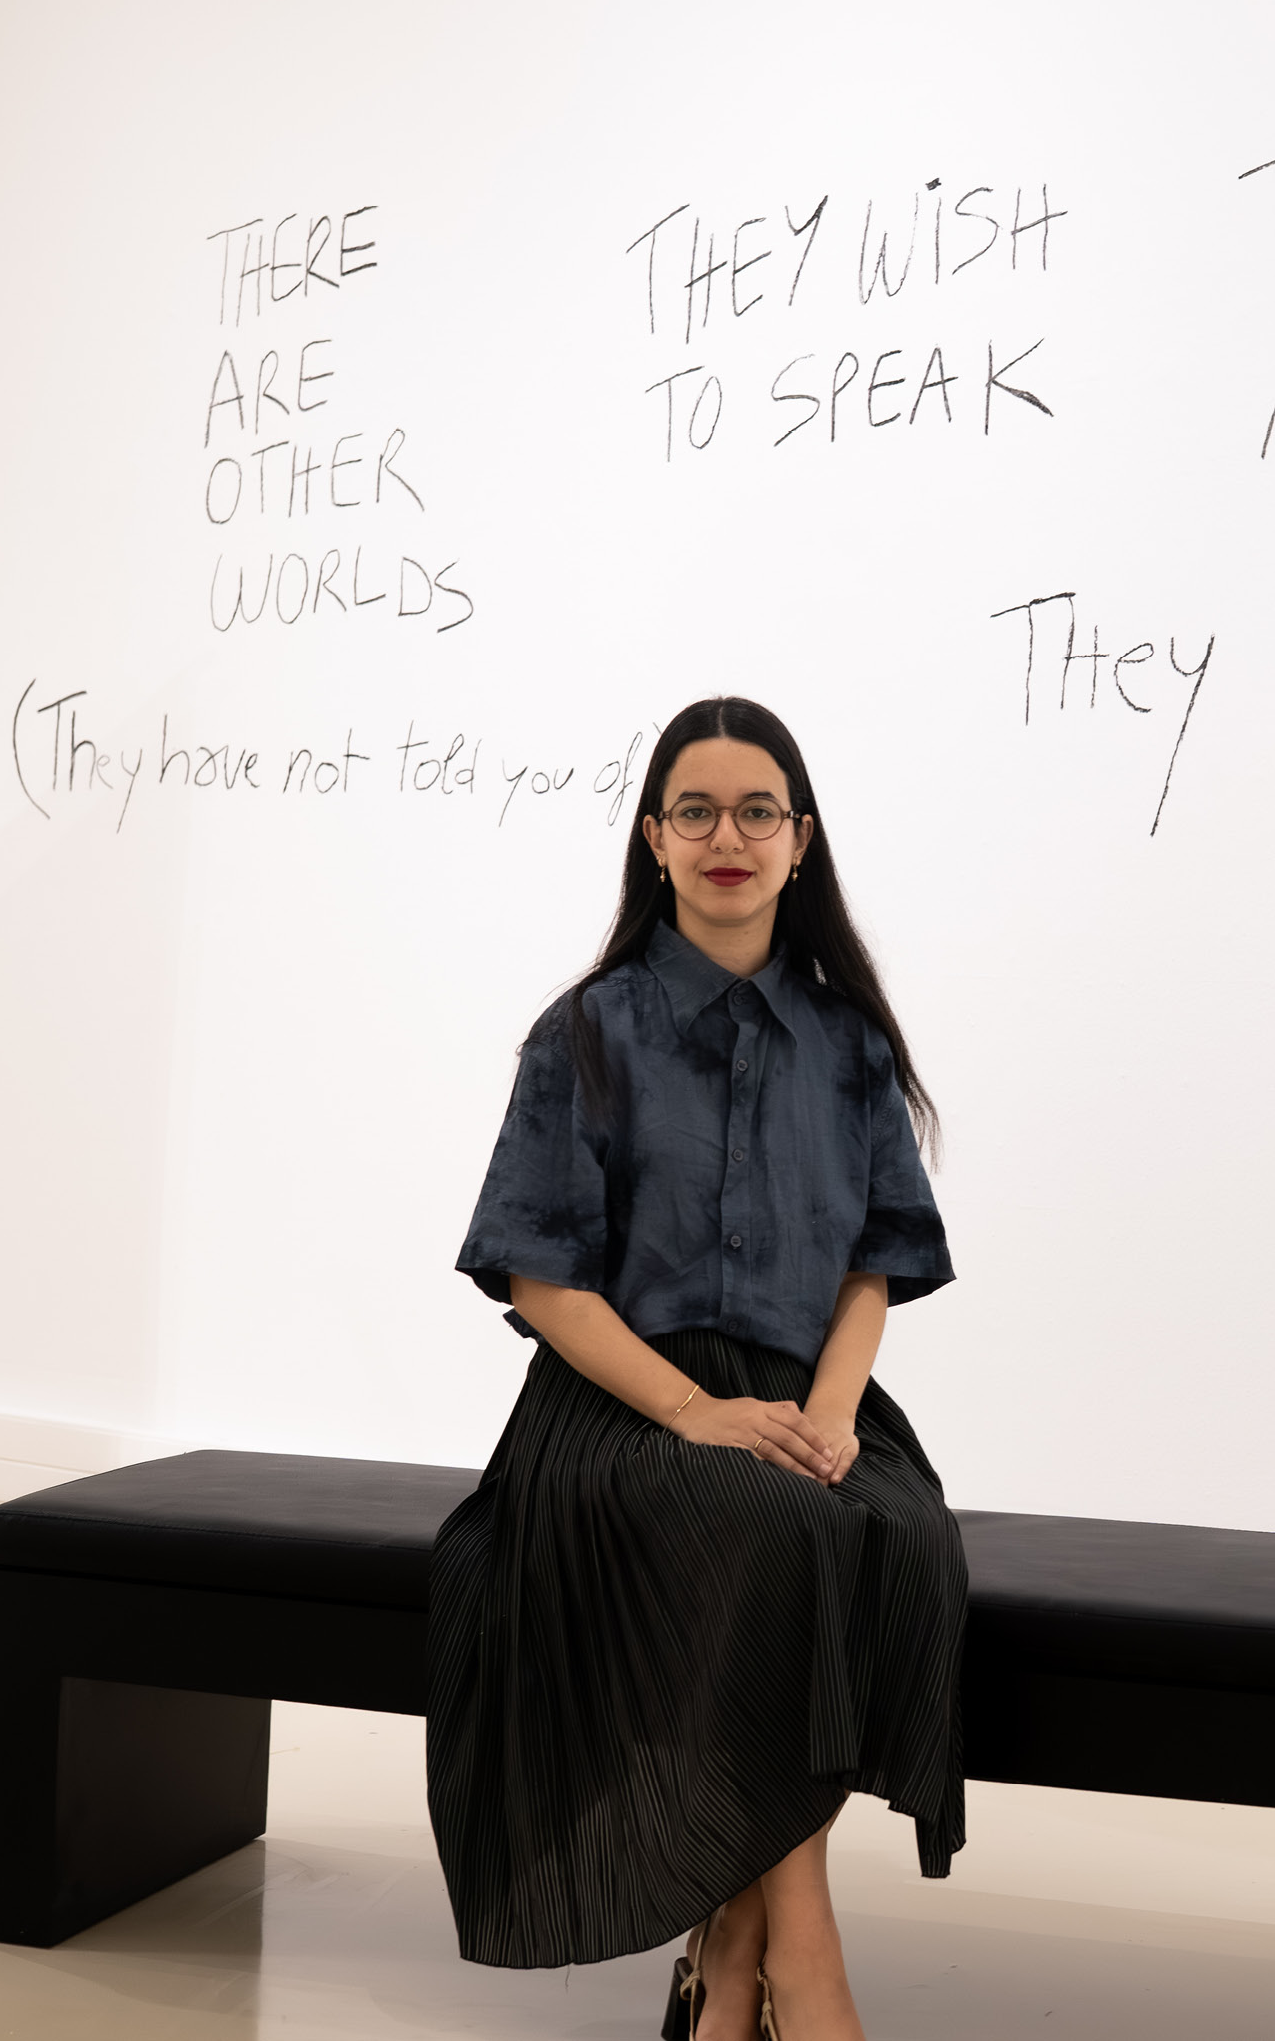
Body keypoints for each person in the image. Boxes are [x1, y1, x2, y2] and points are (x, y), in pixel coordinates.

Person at [428, 696, 963, 2041]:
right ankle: (801, 1948)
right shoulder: (585, 1032)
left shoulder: (849, 1043)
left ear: (801, 840)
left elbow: (875, 1265)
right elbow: (544, 1282)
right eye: (696, 810)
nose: (728, 836)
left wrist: (830, 1412)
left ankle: (729, 1944)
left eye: (756, 811)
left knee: (895, 1533)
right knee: (776, 1530)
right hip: (615, 1410)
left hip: (799, 1395)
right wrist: (695, 1411)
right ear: (655, 839)